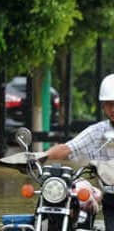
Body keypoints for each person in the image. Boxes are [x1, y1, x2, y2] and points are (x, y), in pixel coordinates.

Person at [47, 74, 114, 230]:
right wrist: (38, 156)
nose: (113, 109)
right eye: (108, 104)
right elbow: (68, 148)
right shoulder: (96, 132)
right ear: (102, 106)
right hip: (112, 198)